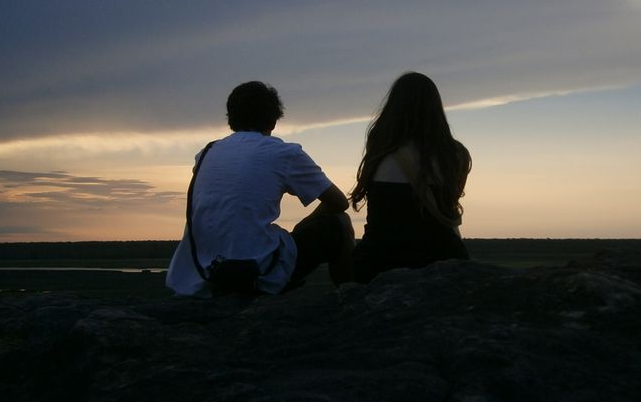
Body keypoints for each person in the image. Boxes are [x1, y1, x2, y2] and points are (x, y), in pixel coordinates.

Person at [166, 81, 353, 296]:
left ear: (231, 120)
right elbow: (339, 202)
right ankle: (349, 300)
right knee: (340, 222)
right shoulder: (285, 154)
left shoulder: (206, 153)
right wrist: (306, 222)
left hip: (200, 277)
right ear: (273, 120)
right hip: (254, 273)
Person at [349, 72, 472, 282]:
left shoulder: (380, 151)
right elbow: (449, 210)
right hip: (437, 257)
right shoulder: (455, 155)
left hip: (378, 261)